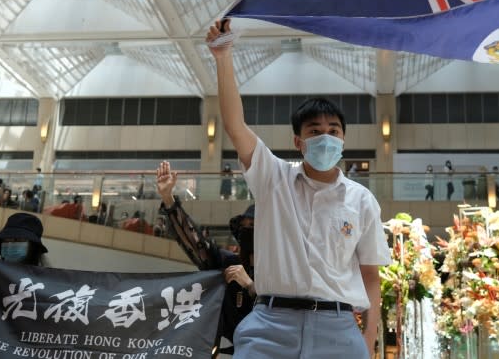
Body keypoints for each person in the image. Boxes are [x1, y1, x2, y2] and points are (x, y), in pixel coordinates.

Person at [206, 19, 390, 358]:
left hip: (338, 330)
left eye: (333, 131)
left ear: (343, 140)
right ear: (299, 141)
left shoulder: (361, 200)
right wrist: (223, 56)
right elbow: (234, 126)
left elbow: (370, 276)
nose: (325, 137)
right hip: (270, 325)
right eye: (315, 130)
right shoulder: (272, 178)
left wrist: (368, 339)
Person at [156, 161, 255, 357]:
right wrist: (168, 199)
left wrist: (251, 286)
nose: (250, 230)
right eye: (246, 225)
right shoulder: (228, 263)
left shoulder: (281, 270)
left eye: (255, 225)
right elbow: (195, 242)